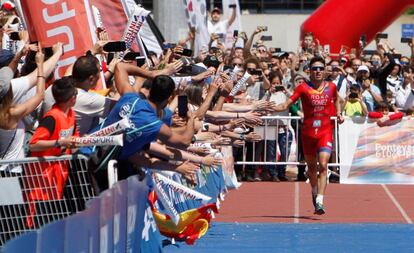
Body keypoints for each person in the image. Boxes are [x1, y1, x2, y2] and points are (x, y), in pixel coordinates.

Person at [273, 56, 344, 215]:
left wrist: (339, 113)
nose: (318, 71)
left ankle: (320, 200)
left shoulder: (331, 86)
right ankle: (314, 190)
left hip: (325, 132)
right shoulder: (302, 88)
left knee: (324, 165)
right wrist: (265, 107)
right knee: (311, 169)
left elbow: (337, 99)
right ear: (309, 71)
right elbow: (286, 104)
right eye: (315, 69)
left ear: (325, 70)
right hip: (308, 133)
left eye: (320, 68)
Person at [29, 77, 79, 156]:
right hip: (44, 167)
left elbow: (74, 138)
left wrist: (83, 140)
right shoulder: (51, 118)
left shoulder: (71, 113)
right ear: (73, 98)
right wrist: (60, 142)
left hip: (61, 166)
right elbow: (33, 145)